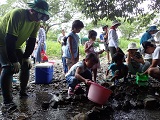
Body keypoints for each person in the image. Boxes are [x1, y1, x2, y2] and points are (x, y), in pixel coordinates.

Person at [0, 0, 50, 111]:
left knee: (26, 65)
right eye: (39, 14)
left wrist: (26, 57)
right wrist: (13, 60)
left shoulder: (36, 22)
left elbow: (32, 40)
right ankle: (7, 101)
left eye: (43, 16)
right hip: (2, 42)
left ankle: (23, 91)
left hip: (15, 44)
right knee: (8, 67)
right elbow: (9, 39)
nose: (40, 18)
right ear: (32, 10)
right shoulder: (18, 14)